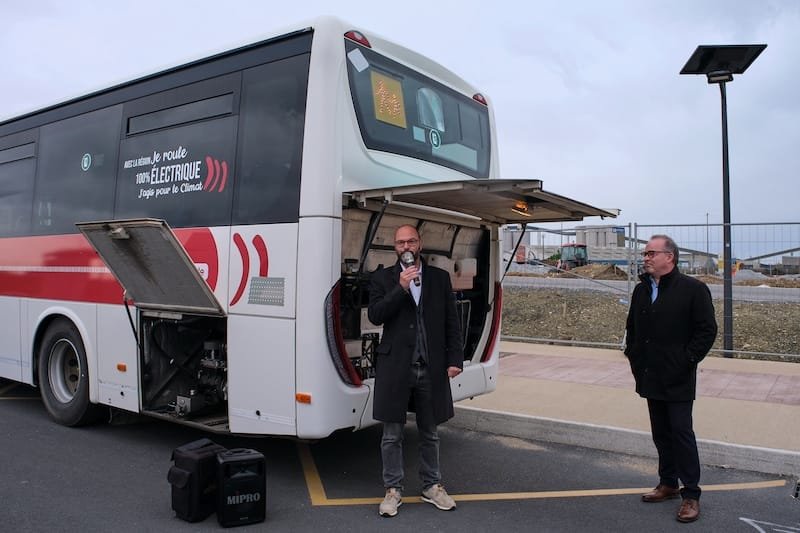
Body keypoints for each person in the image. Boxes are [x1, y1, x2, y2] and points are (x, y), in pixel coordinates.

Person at [368, 224, 463, 518]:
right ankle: (393, 490)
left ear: (420, 244)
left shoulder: (439, 278)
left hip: (430, 366)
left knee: (430, 432)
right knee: (391, 434)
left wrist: (455, 359)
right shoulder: (383, 278)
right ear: (394, 248)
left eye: (411, 241)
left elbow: (451, 320)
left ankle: (431, 486)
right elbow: (375, 315)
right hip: (396, 365)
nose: (406, 246)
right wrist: (401, 287)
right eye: (400, 243)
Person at [624, 234, 717, 523]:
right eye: (645, 254)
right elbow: (633, 327)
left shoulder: (694, 289)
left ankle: (691, 494)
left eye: (652, 253)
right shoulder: (642, 290)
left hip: (677, 377)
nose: (646, 258)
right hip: (650, 375)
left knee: (681, 434)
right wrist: (634, 356)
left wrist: (686, 360)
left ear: (670, 257)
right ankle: (668, 483)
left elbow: (706, 331)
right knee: (661, 433)